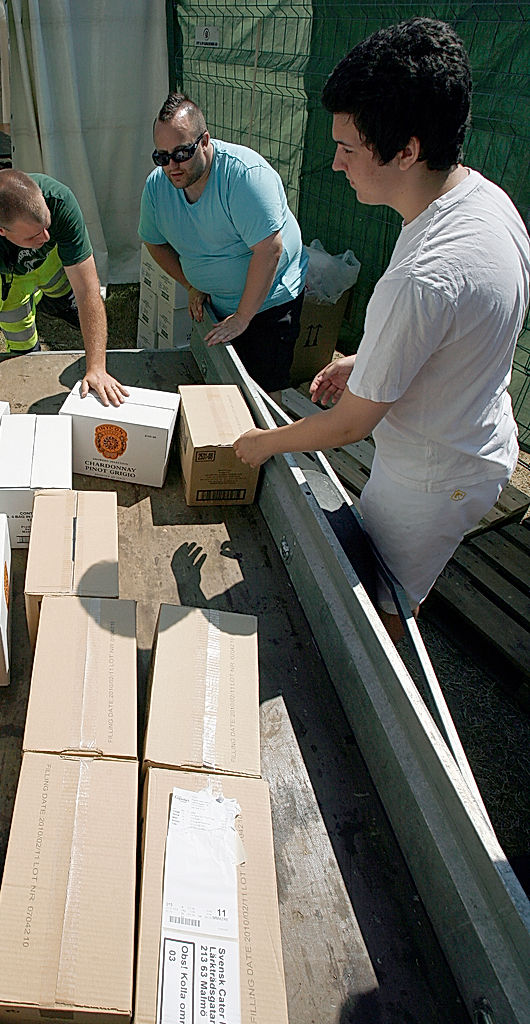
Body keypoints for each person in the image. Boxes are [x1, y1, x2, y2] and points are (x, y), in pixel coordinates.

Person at [234, 17, 530, 641]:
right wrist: (367, 360)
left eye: (347, 148)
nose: (335, 163)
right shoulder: (481, 201)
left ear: (406, 150)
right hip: (470, 433)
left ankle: (377, 699)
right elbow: (453, 330)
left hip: (435, 474)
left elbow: (350, 426)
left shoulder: (422, 278)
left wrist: (262, 444)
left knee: (384, 601)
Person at [0, 169, 128, 458]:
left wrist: (96, 367)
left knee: (69, 292)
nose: (46, 236)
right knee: (24, 352)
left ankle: (54, 301)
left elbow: (89, 290)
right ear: (0, 230)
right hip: (6, 279)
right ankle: (32, 330)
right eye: (32, 234)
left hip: (48, 263)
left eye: (47, 226)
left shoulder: (60, 202)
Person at [138, 93, 308, 399]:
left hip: (269, 302)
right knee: (222, 388)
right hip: (216, 303)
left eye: (181, 153)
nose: (172, 166)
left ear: (204, 141)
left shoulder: (245, 177)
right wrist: (192, 284)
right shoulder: (157, 187)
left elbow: (270, 249)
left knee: (263, 397)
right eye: (162, 157)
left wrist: (243, 317)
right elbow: (154, 242)